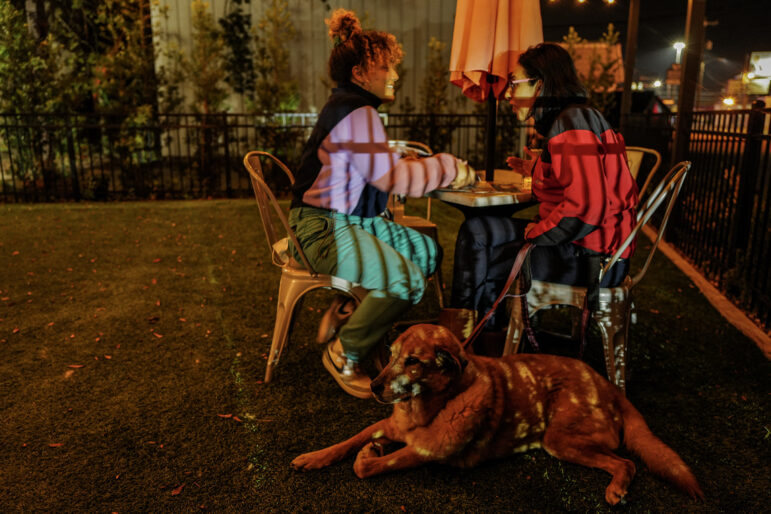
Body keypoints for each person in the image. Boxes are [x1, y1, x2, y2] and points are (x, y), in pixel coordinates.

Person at [289, 9, 475, 398]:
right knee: (406, 280)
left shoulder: (354, 108)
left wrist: (397, 159)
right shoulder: (357, 112)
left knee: (425, 252)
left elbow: (370, 168)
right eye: (386, 67)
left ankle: (349, 309)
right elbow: (391, 179)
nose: (394, 74)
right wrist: (450, 167)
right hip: (323, 229)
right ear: (359, 73)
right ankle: (345, 352)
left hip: (347, 221)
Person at [450, 42, 638, 334]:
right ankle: (481, 336)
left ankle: (464, 337)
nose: (508, 93)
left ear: (540, 85)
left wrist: (535, 234)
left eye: (514, 83)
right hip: (594, 252)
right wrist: (539, 168)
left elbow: (587, 208)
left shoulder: (572, 123)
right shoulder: (576, 118)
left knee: (480, 248)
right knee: (478, 232)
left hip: (591, 261)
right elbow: (583, 181)